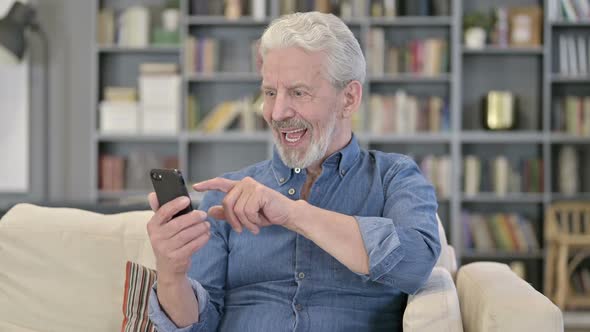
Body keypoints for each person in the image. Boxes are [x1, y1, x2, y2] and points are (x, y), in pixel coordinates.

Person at [147, 11, 441, 332]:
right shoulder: (227, 195)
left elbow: (415, 263)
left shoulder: (394, 176)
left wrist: (292, 214)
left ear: (349, 98)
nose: (277, 112)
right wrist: (171, 274)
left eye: (299, 93)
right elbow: (200, 324)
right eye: (270, 93)